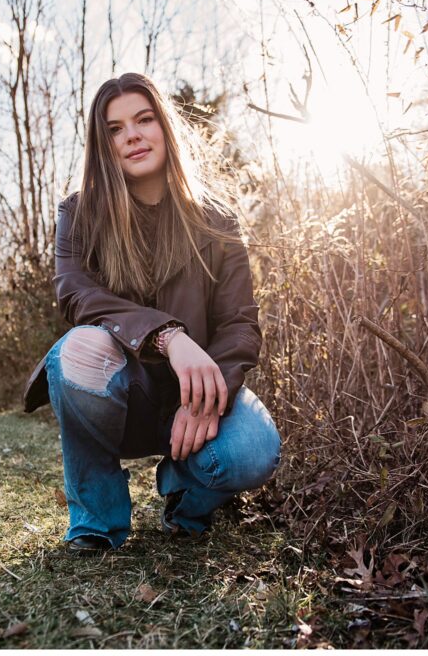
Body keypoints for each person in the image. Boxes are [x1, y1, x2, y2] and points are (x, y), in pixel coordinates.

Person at [22, 72, 280, 553]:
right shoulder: (79, 214)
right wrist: (169, 337)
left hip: (196, 398)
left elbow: (240, 325)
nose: (132, 135)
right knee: (76, 351)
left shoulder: (217, 219)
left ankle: (187, 498)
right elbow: (75, 293)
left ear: (165, 126)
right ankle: (97, 518)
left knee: (253, 451)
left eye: (144, 119)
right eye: (115, 129)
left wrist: (210, 392)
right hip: (119, 396)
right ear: (103, 145)